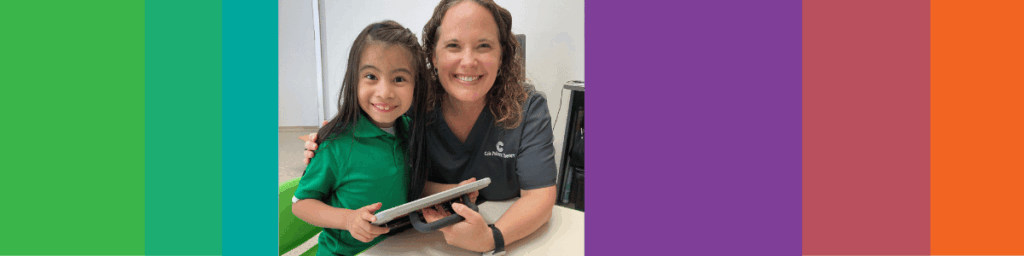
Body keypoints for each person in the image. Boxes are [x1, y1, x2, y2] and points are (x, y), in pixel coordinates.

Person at [305, 1, 558, 254]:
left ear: (501, 55)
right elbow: (362, 141)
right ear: (433, 56)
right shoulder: (408, 106)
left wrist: (492, 238)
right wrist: (326, 139)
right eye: (453, 46)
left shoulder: (528, 109)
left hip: (513, 240)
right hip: (410, 243)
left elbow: (539, 195)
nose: (468, 61)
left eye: (484, 46)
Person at [291, 20, 432, 256]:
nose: (384, 92)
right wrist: (348, 219)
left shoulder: (410, 130)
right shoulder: (336, 143)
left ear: (416, 85)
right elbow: (301, 204)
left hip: (397, 248)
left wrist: (455, 190)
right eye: (371, 76)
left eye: (399, 79)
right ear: (353, 80)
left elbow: (412, 183)